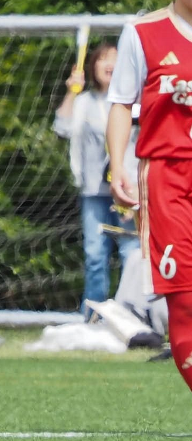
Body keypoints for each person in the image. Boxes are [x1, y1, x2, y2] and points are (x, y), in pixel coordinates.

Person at [108, 0, 192, 395]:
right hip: (167, 176)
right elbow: (121, 103)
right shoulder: (143, 33)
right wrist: (117, 164)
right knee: (183, 302)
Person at [54, 41, 137, 313]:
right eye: (103, 59)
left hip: (129, 190)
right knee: (95, 256)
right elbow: (62, 128)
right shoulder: (85, 102)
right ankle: (93, 315)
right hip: (94, 191)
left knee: (131, 253)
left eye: (115, 58)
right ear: (93, 66)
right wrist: (71, 92)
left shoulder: (135, 101)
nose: (110, 64)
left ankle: (130, 313)